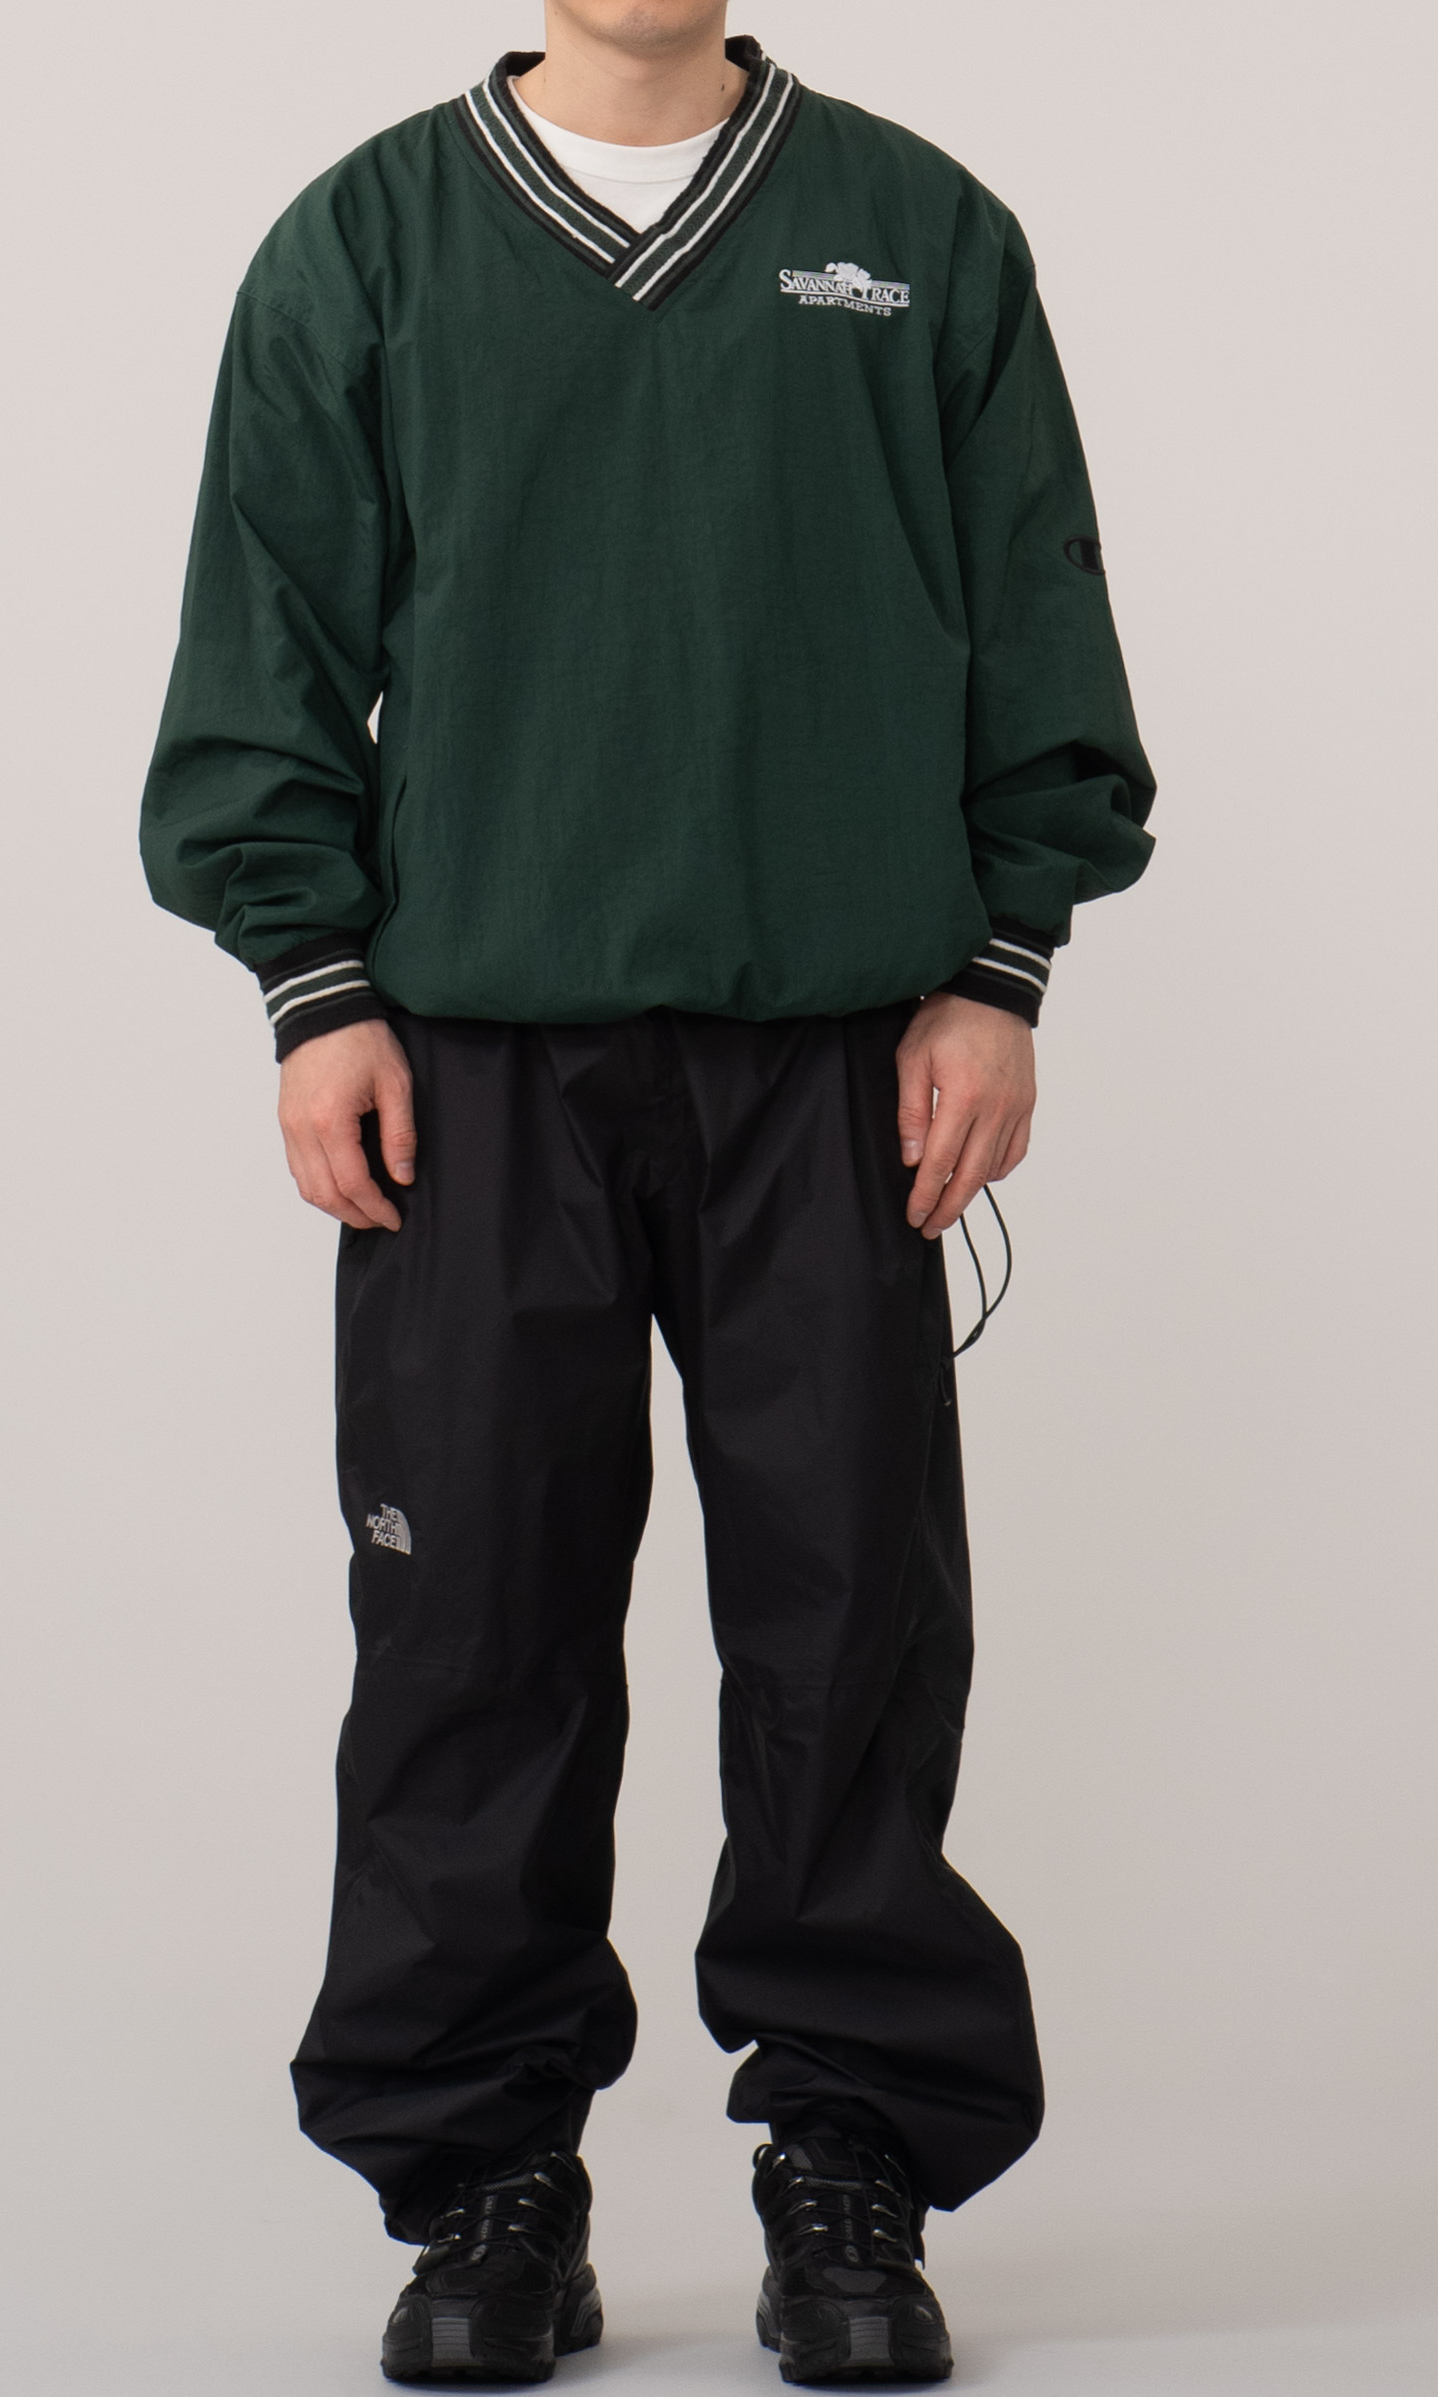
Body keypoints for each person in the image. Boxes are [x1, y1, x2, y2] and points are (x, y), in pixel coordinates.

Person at [140, 0, 1154, 2382]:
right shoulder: (364, 245)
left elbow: (1034, 609)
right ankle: (482, 2170)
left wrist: (997, 967)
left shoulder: (913, 232)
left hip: (836, 1047)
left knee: (846, 1619)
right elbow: (266, 630)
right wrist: (310, 980)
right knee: (469, 1628)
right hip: (471, 1064)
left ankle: (850, 2153)